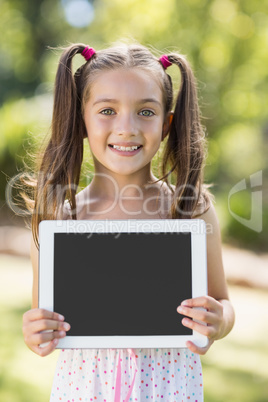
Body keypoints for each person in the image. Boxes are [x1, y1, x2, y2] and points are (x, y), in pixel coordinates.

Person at [22, 42, 235, 401]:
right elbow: (43, 319)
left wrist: (218, 320)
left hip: (168, 388)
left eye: (145, 112)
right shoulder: (60, 216)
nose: (127, 128)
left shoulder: (190, 209)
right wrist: (36, 334)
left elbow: (223, 303)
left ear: (167, 124)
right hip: (87, 387)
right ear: (82, 120)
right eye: (107, 110)